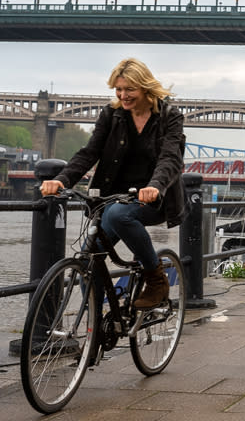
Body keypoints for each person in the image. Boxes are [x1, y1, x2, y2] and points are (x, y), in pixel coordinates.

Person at [39, 58, 186, 309]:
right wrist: (61, 179)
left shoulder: (169, 117)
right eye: (118, 89)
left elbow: (171, 157)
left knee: (119, 214)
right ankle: (98, 333)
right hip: (112, 197)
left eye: (130, 89)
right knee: (89, 263)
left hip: (152, 197)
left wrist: (156, 186)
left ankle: (155, 277)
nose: (123, 95)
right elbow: (89, 152)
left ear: (145, 87)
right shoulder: (111, 115)